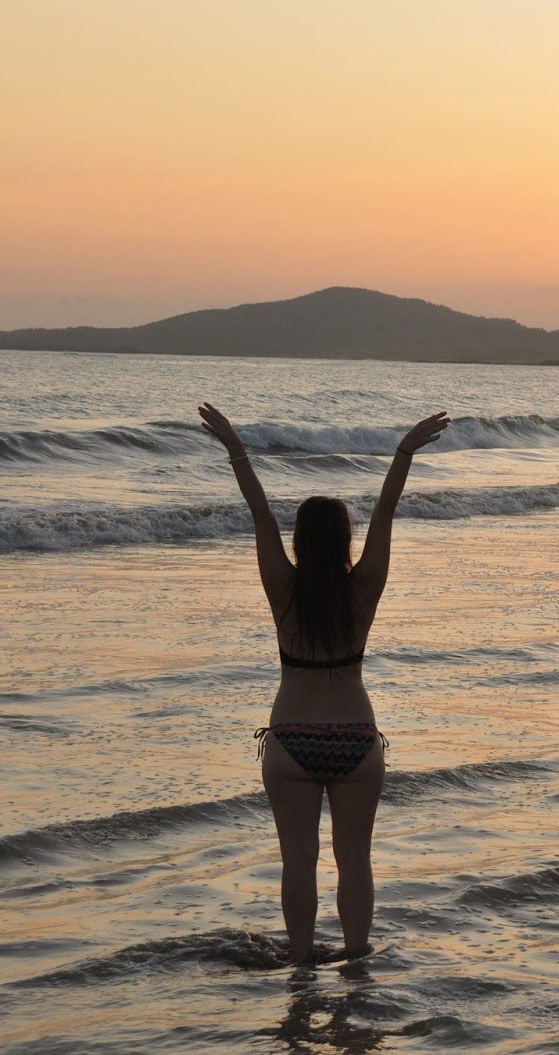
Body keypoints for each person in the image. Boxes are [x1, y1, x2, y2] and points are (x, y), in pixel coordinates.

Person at [199, 401, 450, 967]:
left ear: (299, 543)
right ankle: (358, 964)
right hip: (357, 741)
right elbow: (386, 512)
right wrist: (403, 451)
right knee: (355, 860)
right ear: (343, 541)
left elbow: (258, 511)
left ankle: (302, 964)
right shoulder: (363, 590)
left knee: (298, 861)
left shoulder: (281, 589)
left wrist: (235, 447)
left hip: (291, 740)